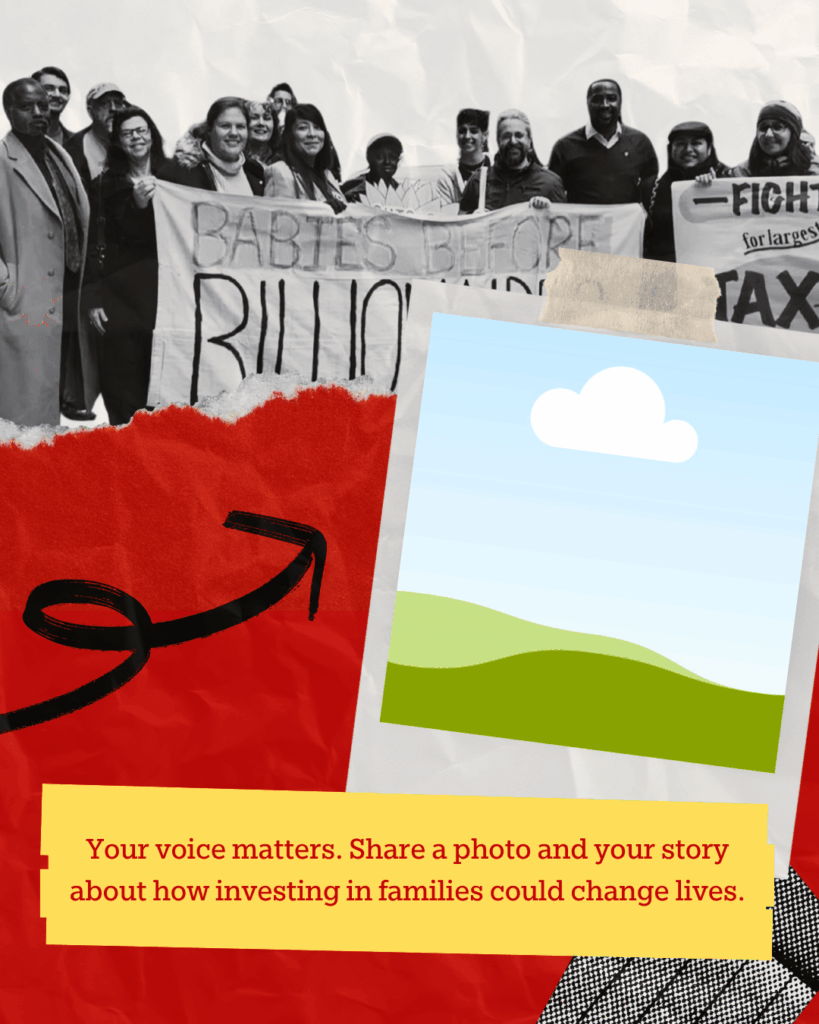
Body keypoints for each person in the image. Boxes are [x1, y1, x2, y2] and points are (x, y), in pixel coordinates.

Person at [0, 79, 95, 427]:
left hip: (66, 292)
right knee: (22, 411)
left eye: (43, 105)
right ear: (9, 110)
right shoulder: (2, 158)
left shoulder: (58, 153)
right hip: (26, 299)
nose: (40, 113)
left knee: (51, 397)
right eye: (28, 106)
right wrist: (7, 287)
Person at [83, 106, 167, 426]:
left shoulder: (174, 175)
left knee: (162, 386)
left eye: (142, 130)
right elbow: (91, 242)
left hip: (166, 299)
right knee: (123, 386)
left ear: (152, 133)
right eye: (128, 133)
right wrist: (92, 299)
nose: (137, 138)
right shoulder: (103, 185)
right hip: (119, 300)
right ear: (117, 141)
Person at [548, 79, 658, 205]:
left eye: (611, 98)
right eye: (597, 99)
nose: (605, 105)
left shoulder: (640, 143)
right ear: (587, 103)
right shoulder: (564, 147)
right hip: (582, 224)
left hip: (627, 224)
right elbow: (554, 195)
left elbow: (650, 191)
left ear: (620, 102)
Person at [644, 122, 729, 262]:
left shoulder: (729, 181)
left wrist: (715, 189)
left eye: (696, 143)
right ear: (670, 149)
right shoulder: (652, 189)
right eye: (680, 144)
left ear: (709, 148)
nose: (688, 149)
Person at [459, 109, 565, 213]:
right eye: (506, 136)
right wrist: (473, 219)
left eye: (519, 135)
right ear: (498, 141)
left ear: (529, 140)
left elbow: (565, 228)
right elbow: (458, 228)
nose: (513, 141)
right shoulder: (478, 181)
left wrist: (550, 213)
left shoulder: (550, 184)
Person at [161, 97, 264, 195]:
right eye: (225, 126)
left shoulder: (256, 173)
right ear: (210, 130)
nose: (234, 133)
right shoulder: (180, 172)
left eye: (240, 127)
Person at [264, 103, 347, 212]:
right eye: (303, 128)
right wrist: (321, 211)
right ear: (290, 135)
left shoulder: (327, 175)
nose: (312, 134)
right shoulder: (280, 171)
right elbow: (279, 222)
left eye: (317, 127)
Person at [64, 83, 127, 192]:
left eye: (117, 103)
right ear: (90, 111)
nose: (113, 109)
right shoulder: (73, 149)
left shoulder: (135, 140)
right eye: (104, 104)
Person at [728, 101, 819, 177]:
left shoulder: (815, 170)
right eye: (763, 128)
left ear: (793, 134)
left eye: (777, 127)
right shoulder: (739, 174)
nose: (768, 134)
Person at [437, 108, 491, 205]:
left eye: (473, 131)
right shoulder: (447, 175)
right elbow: (446, 213)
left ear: (485, 135)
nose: (467, 136)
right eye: (462, 131)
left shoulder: (496, 169)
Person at [342, 133, 403, 202]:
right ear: (369, 158)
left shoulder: (400, 191)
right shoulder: (353, 189)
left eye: (393, 157)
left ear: (398, 160)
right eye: (380, 156)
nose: (387, 162)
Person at [31, 66, 74, 147]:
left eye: (62, 90)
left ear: (68, 97)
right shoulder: (14, 142)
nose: (57, 95)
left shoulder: (80, 144)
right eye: (49, 88)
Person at [244, 99, 278, 171]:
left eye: (267, 118)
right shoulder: (234, 158)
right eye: (254, 117)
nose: (261, 123)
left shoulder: (283, 159)